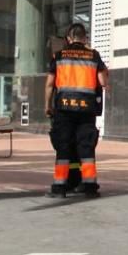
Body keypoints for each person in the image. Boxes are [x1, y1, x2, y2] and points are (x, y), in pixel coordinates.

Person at [45, 23, 109, 199]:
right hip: (86, 110)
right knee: (86, 147)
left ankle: (59, 187)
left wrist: (47, 105)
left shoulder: (59, 56)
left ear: (68, 38)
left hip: (64, 108)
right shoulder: (93, 56)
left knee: (63, 147)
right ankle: (89, 186)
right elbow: (103, 81)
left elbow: (50, 84)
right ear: (85, 38)